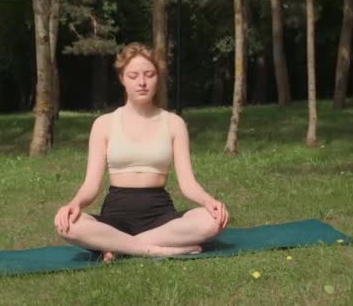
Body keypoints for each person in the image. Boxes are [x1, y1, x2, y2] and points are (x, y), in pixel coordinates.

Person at [54, 42, 229, 261]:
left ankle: (118, 246)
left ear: (158, 77)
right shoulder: (104, 124)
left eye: (149, 74)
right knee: (67, 225)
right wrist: (74, 204)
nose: (142, 82)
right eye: (133, 76)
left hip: (161, 217)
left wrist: (208, 201)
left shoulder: (173, 123)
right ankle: (160, 250)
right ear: (122, 79)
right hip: (115, 218)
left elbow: (188, 183)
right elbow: (91, 185)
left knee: (213, 220)